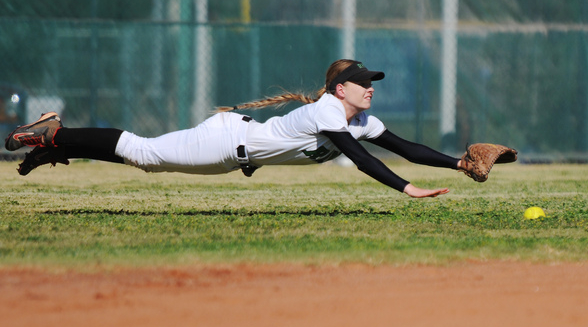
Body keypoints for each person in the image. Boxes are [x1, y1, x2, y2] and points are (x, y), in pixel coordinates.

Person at [5, 59, 472, 198]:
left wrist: (460, 164)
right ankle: (54, 133)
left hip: (235, 150)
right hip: (226, 141)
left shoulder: (360, 118)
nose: (371, 90)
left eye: (373, 84)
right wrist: (407, 190)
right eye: (364, 83)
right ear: (339, 88)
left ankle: (54, 145)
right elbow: (366, 160)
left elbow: (405, 147)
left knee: (144, 159)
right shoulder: (329, 112)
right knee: (144, 154)